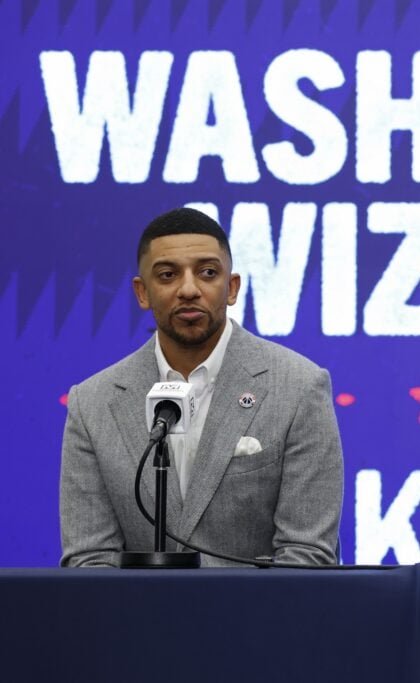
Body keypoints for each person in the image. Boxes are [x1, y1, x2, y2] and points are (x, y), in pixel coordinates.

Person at [60, 207, 343, 567]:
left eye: (208, 273)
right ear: (142, 292)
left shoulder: (299, 386)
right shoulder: (93, 403)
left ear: (232, 287)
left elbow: (308, 553)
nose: (189, 289)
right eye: (167, 275)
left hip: (259, 620)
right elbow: (89, 558)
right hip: (139, 621)